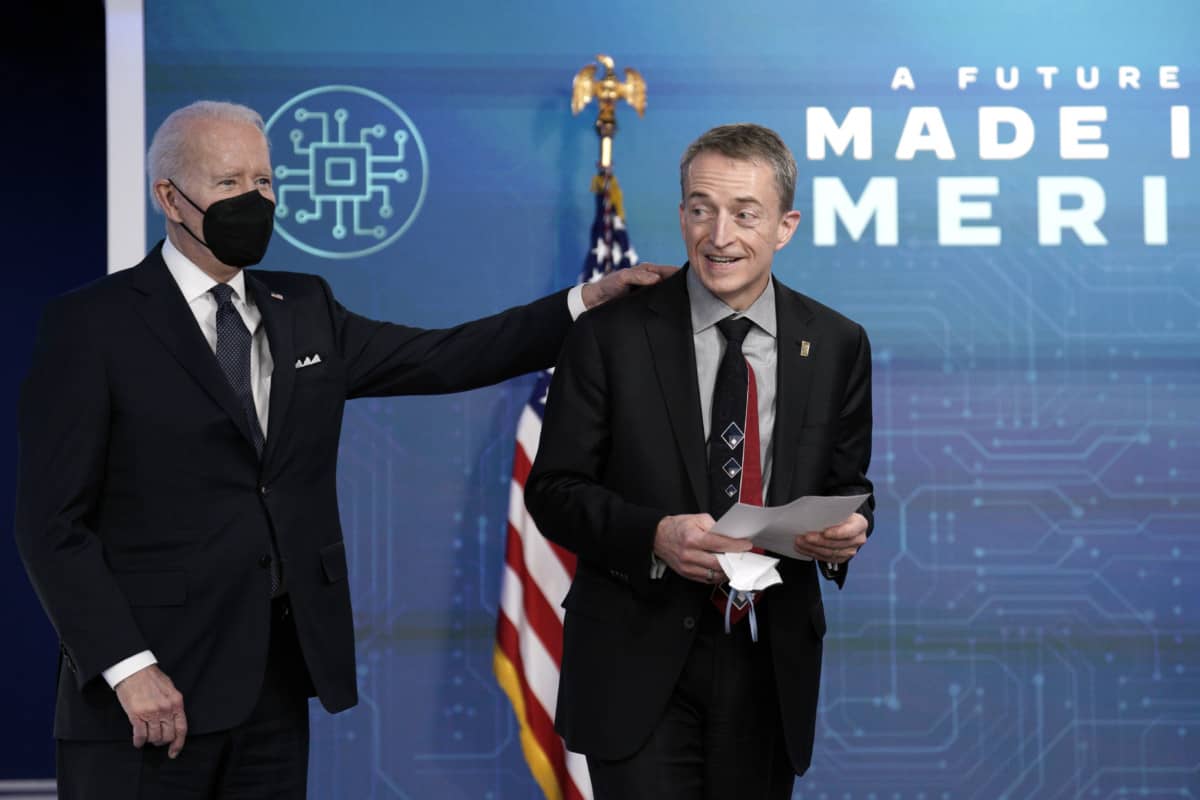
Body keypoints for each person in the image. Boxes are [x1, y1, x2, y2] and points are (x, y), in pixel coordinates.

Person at [14, 99, 669, 799]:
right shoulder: (93, 324)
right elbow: (52, 525)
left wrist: (583, 303)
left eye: (264, 181)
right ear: (169, 198)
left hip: (274, 684)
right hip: (146, 698)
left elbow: (447, 356)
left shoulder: (306, 308)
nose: (254, 200)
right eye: (228, 183)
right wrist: (127, 666)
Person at [524, 123, 874, 799]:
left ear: (785, 226)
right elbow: (555, 490)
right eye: (701, 209)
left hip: (768, 657)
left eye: (745, 214)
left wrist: (848, 533)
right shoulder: (609, 334)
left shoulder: (836, 343)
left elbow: (849, 484)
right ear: (682, 212)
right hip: (635, 658)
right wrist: (653, 535)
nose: (719, 236)